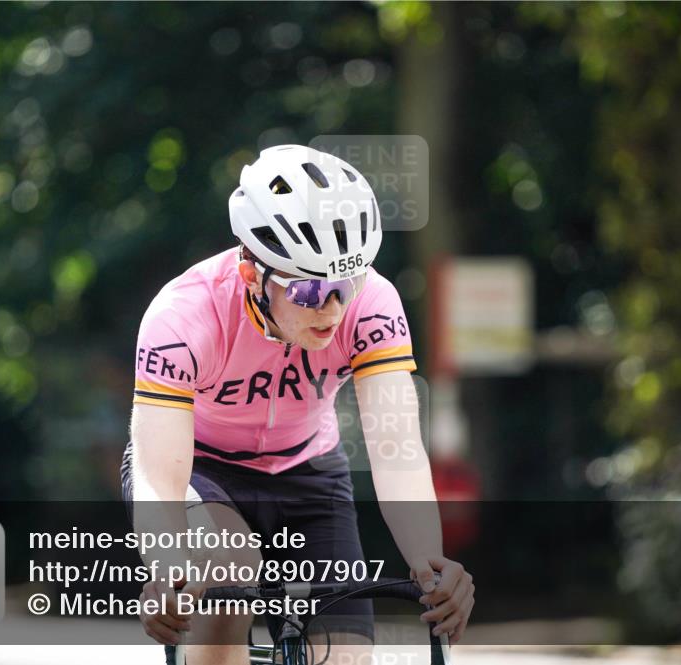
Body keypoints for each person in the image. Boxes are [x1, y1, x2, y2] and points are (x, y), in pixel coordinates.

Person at [121, 144, 474, 665]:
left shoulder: (373, 303)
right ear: (251, 277)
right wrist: (169, 564)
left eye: (345, 285)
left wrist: (431, 566)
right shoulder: (182, 316)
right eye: (310, 291)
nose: (332, 309)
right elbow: (160, 477)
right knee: (227, 567)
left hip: (309, 470)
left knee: (346, 658)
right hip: (201, 469)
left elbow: (396, 449)